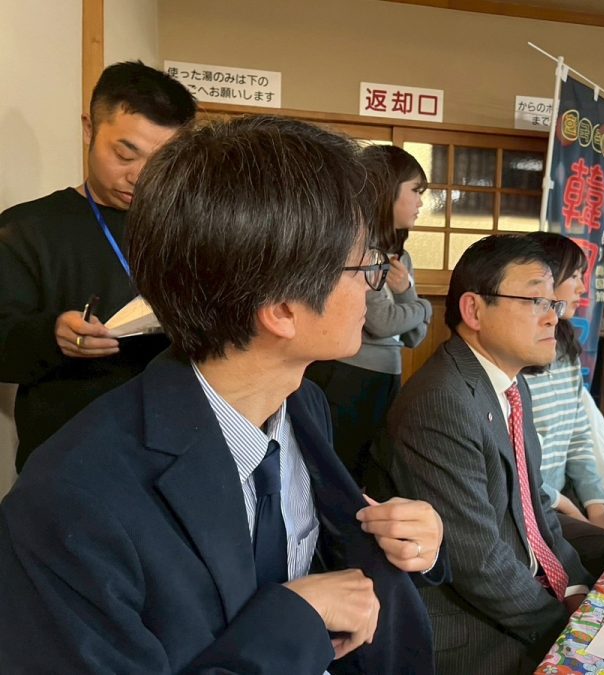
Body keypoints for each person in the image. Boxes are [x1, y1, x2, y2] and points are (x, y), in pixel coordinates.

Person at [0, 116, 447, 673]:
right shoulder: (70, 505)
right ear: (281, 309)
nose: (370, 284)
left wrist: (405, 541)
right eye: (362, 267)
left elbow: (320, 550)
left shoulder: (301, 403)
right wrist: (294, 621)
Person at [387, 234, 593, 674]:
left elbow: (534, 508)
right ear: (474, 310)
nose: (552, 317)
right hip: (473, 630)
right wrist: (567, 630)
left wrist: (578, 590)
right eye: (536, 301)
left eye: (552, 303)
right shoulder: (442, 400)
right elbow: (476, 559)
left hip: (526, 590)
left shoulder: (510, 384)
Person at [0, 60, 196, 471]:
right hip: (68, 458)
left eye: (161, 161)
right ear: (89, 129)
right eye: (125, 154)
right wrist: (54, 335)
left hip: (176, 451)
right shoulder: (25, 229)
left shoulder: (190, 228)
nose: (140, 176)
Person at [307, 144, 432, 485]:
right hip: (348, 376)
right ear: (388, 190)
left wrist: (405, 293)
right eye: (415, 191)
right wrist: (424, 307)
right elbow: (382, 322)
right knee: (334, 476)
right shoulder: (357, 248)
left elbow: (415, 336)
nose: (421, 203)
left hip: (387, 377)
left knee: (369, 476)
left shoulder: (401, 258)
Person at [522, 231, 604, 577]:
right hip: (538, 504)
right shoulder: (520, 358)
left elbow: (579, 437)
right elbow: (517, 466)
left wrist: (596, 507)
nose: (583, 288)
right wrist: (571, 508)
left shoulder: (564, 350)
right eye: (576, 276)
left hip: (567, 497)